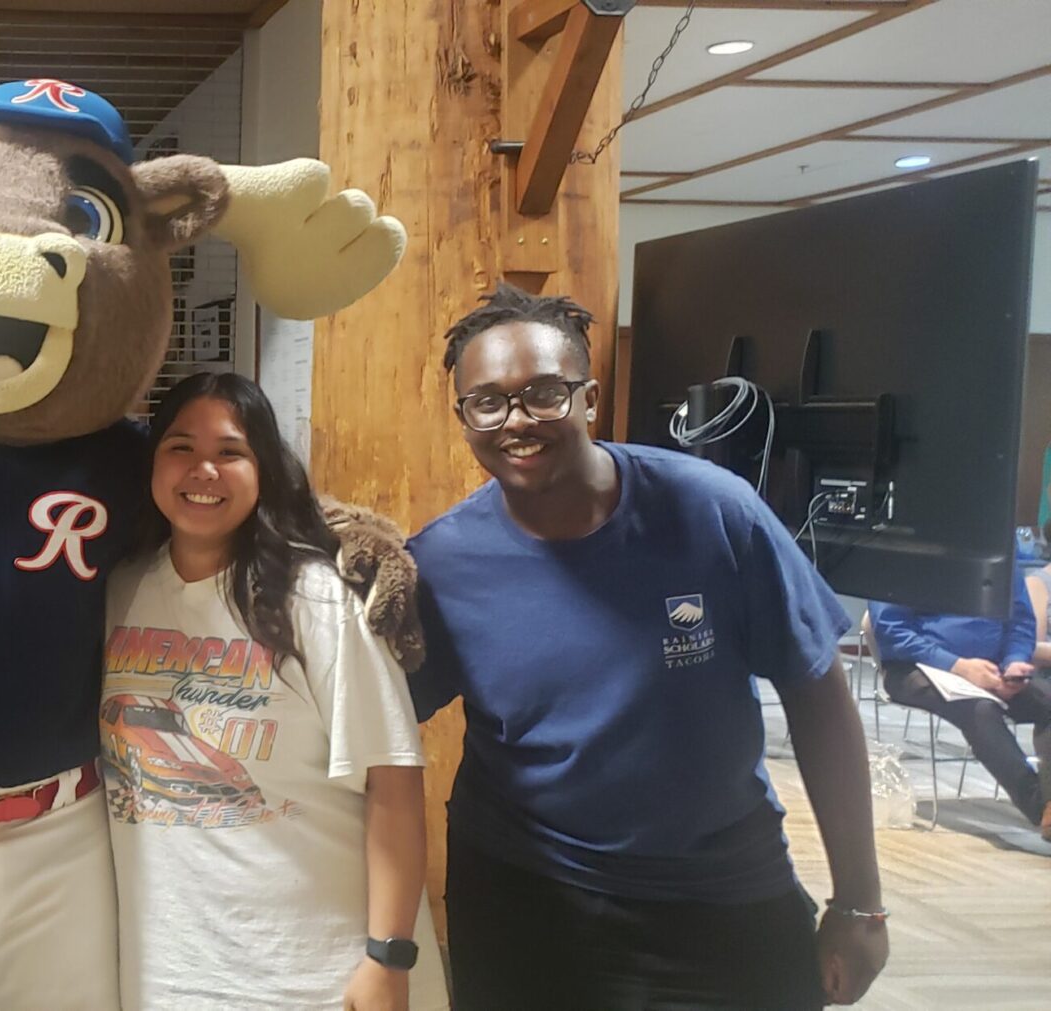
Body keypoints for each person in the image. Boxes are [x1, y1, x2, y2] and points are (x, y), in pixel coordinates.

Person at [407, 285, 888, 1009]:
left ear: (590, 398)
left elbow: (818, 696)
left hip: (720, 893)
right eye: (488, 401)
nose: (517, 420)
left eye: (545, 393)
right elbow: (372, 721)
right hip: (524, 897)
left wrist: (859, 900)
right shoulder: (441, 562)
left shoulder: (713, 512)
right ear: (463, 416)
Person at [102, 372, 445, 1011]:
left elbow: (392, 782)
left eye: (230, 452)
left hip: (313, 972)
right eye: (180, 446)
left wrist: (387, 957)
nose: (203, 469)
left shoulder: (318, 599)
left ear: (263, 469)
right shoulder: (121, 589)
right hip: (168, 970)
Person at [870, 569, 1051, 839]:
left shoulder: (998, 551)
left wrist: (1014, 661)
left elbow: (1020, 621)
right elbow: (891, 631)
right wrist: (958, 666)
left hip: (993, 667)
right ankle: (1041, 809)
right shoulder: (905, 553)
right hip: (916, 667)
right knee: (979, 709)